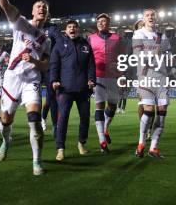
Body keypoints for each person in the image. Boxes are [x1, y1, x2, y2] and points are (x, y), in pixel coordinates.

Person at [0, 0, 51, 176]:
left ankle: (36, 161)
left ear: (47, 14)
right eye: (39, 6)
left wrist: (34, 60)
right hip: (12, 78)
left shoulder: (47, 40)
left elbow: (46, 66)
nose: (42, 8)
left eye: (45, 7)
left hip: (31, 81)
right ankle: (7, 141)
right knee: (6, 120)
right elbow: (5, 6)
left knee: (34, 119)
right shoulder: (21, 23)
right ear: (33, 12)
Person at [50, 20, 95, 161]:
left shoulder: (86, 45)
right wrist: (54, 80)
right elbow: (54, 64)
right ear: (66, 30)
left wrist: (91, 79)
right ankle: (60, 148)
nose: (72, 29)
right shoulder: (59, 45)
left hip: (83, 89)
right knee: (62, 119)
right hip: (65, 89)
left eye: (75, 27)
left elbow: (91, 66)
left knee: (85, 118)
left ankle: (81, 143)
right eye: (69, 27)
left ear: (79, 30)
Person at [133, 8, 171, 159]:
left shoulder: (163, 36)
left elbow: (169, 53)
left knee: (161, 114)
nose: (150, 17)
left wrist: (170, 58)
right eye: (147, 15)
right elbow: (137, 55)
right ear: (143, 18)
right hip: (146, 76)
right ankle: (141, 143)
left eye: (152, 15)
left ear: (156, 18)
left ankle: (153, 147)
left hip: (162, 78)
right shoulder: (139, 34)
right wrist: (153, 53)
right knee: (148, 111)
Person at [89, 13, 122, 153]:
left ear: (109, 24)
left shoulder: (117, 38)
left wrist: (122, 74)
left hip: (113, 77)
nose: (101, 23)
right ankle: (102, 141)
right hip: (98, 76)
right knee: (100, 106)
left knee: (113, 106)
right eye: (99, 22)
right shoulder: (90, 38)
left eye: (104, 21)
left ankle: (105, 128)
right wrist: (88, 77)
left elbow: (122, 58)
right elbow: (88, 58)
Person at [41, 17, 61, 135]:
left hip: (48, 66)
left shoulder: (52, 28)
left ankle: (55, 126)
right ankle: (40, 121)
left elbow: (59, 41)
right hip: (33, 65)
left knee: (51, 99)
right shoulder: (31, 27)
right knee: (37, 99)